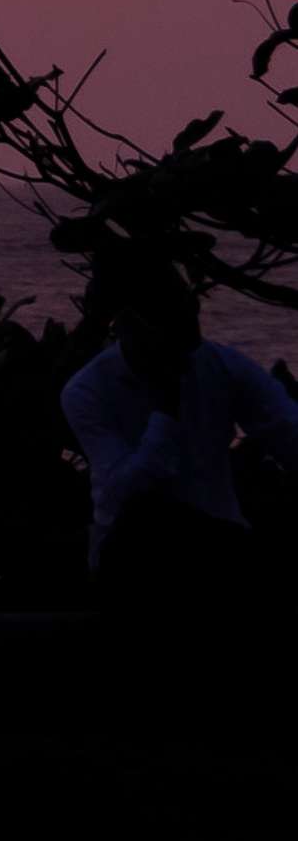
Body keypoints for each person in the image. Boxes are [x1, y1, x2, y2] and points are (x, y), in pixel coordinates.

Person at [62, 248, 298, 629]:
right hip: (135, 566)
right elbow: (127, 493)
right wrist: (165, 412)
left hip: (221, 555)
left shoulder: (219, 365)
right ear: (128, 325)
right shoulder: (87, 392)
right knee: (149, 521)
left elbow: (287, 430)